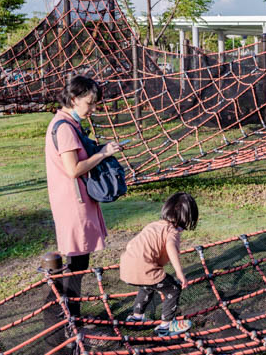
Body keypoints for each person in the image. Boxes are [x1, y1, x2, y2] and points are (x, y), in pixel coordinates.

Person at [45, 75, 121, 322]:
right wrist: (103, 153)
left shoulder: (68, 123)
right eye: (89, 103)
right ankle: (70, 317)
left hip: (75, 201)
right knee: (76, 262)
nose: (93, 108)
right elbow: (73, 169)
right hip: (72, 203)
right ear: (74, 99)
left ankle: (69, 313)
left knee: (78, 260)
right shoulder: (65, 127)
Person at [121, 192, 198, 335]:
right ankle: (166, 326)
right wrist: (180, 273)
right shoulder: (172, 231)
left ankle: (136, 318)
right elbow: (170, 248)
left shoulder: (154, 225)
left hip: (127, 268)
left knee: (147, 286)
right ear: (186, 218)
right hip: (145, 268)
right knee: (173, 289)